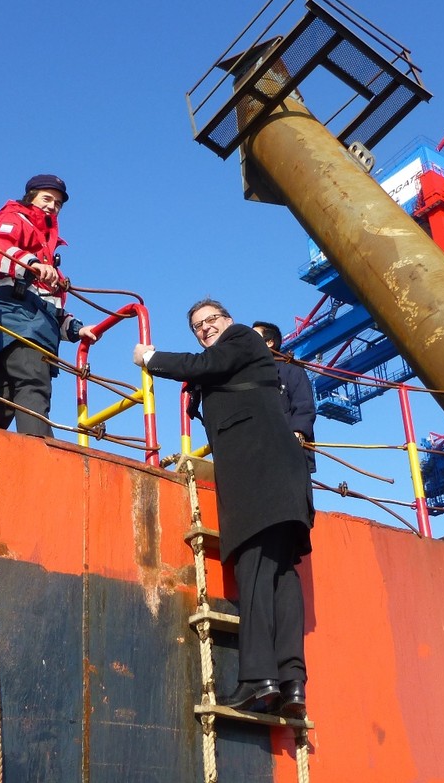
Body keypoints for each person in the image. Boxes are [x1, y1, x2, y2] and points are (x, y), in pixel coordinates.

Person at [134, 300, 314, 717]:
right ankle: (292, 683)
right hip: (284, 477)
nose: (205, 328)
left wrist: (150, 358)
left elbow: (201, 365)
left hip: (260, 475)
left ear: (229, 321)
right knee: (282, 575)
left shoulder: (242, 338)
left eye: (211, 320)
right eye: (198, 326)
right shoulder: (235, 356)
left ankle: (257, 679)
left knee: (252, 571)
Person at [0, 174, 96, 436]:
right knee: (33, 385)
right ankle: (39, 450)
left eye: (58, 203)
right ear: (31, 197)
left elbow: (50, 307)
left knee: (1, 399)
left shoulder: (46, 254)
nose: (52, 206)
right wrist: (32, 265)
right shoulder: (15, 218)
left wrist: (76, 329)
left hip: (19, 327)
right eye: (46, 198)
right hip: (17, 324)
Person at [252, 321, 317, 475]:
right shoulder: (246, 376)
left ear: (269, 342)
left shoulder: (292, 370)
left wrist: (298, 433)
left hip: (289, 456)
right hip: (257, 457)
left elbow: (304, 405)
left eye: (253, 336)